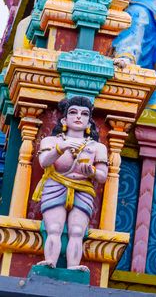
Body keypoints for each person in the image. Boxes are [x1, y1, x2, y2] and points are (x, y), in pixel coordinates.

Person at [33, 97, 109, 271]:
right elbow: (44, 162)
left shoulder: (97, 147)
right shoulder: (51, 142)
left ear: (89, 121)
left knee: (77, 231)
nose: (78, 117)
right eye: (73, 112)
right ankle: (49, 261)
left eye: (84, 114)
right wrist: (62, 147)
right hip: (56, 185)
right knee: (54, 227)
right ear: (64, 120)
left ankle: (73, 266)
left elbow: (103, 176)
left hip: (83, 189)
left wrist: (93, 172)